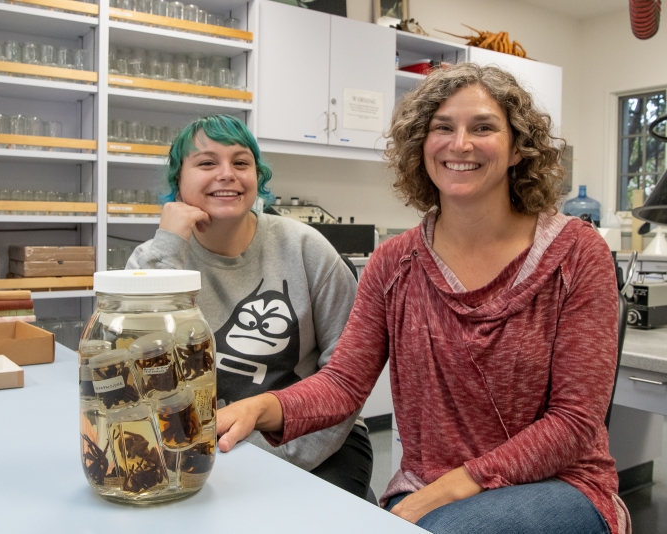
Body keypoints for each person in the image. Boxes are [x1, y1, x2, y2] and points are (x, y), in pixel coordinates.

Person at [217, 64, 631, 534]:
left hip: (558, 485)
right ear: (421, 146)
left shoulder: (576, 253)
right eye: (442, 128)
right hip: (428, 489)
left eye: (483, 127)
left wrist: (451, 489)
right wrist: (258, 408)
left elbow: (575, 422)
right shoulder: (394, 263)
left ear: (518, 148)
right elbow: (345, 384)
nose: (460, 144)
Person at [126, 114, 373, 499]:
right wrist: (168, 246)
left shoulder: (306, 249)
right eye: (207, 163)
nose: (227, 174)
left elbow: (345, 379)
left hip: (314, 442)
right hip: (196, 447)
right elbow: (137, 368)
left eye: (241, 163)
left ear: (258, 177)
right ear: (178, 181)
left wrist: (264, 454)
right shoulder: (155, 258)